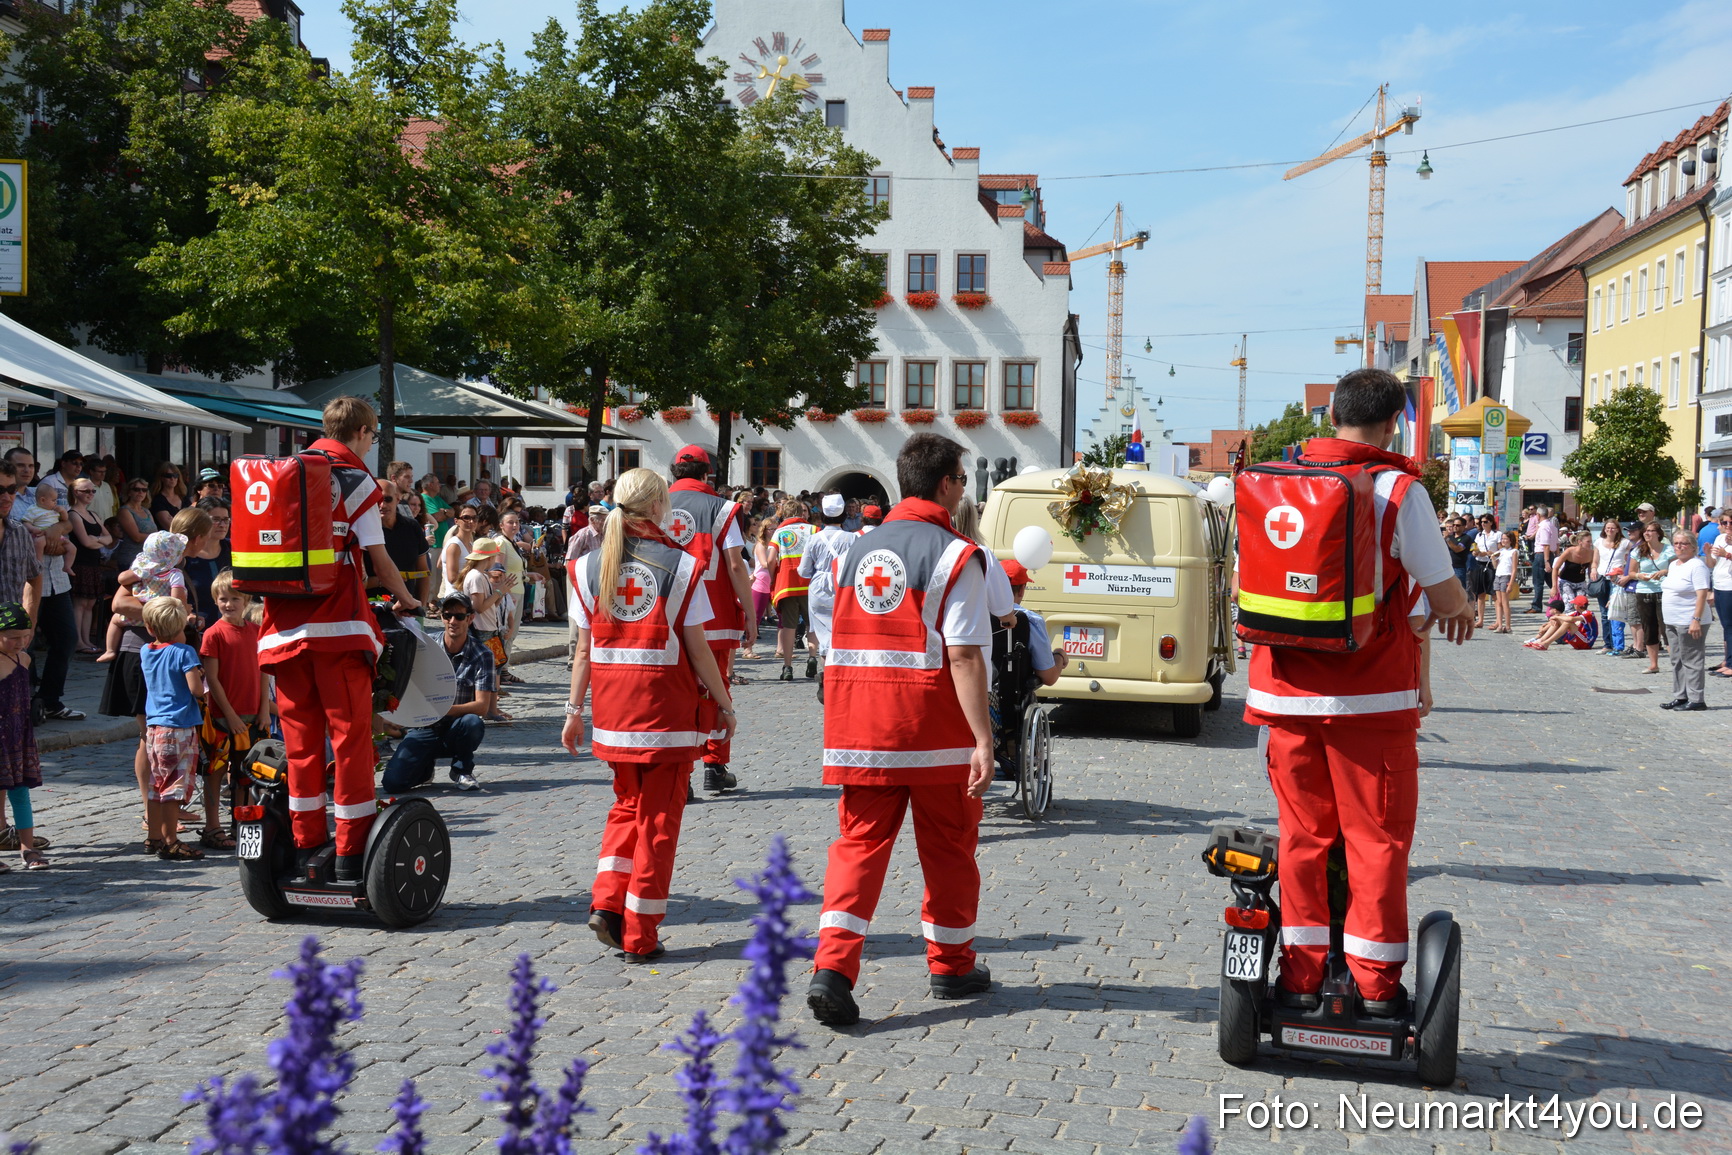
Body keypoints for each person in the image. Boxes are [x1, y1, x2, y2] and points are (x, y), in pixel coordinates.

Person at [1243, 368, 1471, 1019]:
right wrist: (1458, 607)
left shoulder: (1277, 480)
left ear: (1333, 414)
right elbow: (1444, 590)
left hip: (1284, 694)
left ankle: (1300, 976)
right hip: (1370, 702)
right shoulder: (1399, 490)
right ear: (1394, 421)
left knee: (1302, 837)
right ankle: (1374, 987)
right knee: (1375, 841)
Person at [807, 433, 996, 1027]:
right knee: (949, 849)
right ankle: (950, 964)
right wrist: (985, 740)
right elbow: (965, 657)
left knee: (858, 848)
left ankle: (832, 971)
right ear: (945, 485)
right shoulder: (955, 555)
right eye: (963, 480)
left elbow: (833, 637)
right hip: (933, 729)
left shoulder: (851, 551)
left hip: (859, 725)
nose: (963, 490)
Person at [559, 468, 735, 962]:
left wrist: (575, 711)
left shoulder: (587, 566)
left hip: (614, 711)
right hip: (667, 711)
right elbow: (700, 651)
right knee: (659, 822)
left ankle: (608, 902)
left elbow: (583, 651)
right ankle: (640, 932)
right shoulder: (682, 566)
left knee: (626, 809)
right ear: (660, 506)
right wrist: (724, 704)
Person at [260, 396, 421, 883]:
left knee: (300, 745)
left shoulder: (282, 474)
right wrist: (408, 600)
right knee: (350, 742)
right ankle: (351, 852)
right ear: (364, 432)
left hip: (282, 631)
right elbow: (379, 559)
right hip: (338, 631)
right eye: (373, 436)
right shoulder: (355, 482)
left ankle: (306, 842)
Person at [666, 445, 752, 793]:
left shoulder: (655, 503)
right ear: (707, 474)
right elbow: (735, 563)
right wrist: (750, 612)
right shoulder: (722, 508)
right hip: (712, 614)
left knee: (677, 691)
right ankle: (714, 766)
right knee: (715, 688)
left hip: (667, 610)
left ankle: (681, 772)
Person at [381, 591, 496, 793]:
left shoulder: (483, 654)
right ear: (441, 617)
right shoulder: (425, 646)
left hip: (457, 728)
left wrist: (440, 710)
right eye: (447, 615)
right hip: (424, 727)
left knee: (472, 722)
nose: (453, 621)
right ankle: (424, 769)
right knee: (393, 784)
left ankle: (462, 769)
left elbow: (482, 706)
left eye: (459, 616)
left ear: (470, 619)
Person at [139, 597, 208, 862]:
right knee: (174, 788)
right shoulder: (184, 652)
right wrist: (201, 682)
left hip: (154, 728)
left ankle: (153, 836)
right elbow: (194, 689)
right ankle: (171, 841)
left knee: (156, 785)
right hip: (178, 727)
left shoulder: (146, 651)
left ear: (149, 627)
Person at [0, 604, 45, 871]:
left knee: (21, 793)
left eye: (25, 636)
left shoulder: (24, 659)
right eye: (13, 636)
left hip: (19, 736)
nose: (21, 642)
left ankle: (28, 848)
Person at [798, 493, 853, 703]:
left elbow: (803, 571)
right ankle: (842, 672)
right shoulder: (852, 538)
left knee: (822, 631)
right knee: (842, 630)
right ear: (844, 515)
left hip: (819, 586)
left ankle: (827, 675)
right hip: (842, 585)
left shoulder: (814, 538)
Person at [1659, 529, 1711, 710]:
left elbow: (1702, 594)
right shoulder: (1674, 564)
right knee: (1677, 659)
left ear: (1693, 547)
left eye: (1684, 543)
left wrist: (1695, 619)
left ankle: (1697, 699)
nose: (1679, 547)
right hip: (1672, 619)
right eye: (1676, 543)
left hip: (1689, 620)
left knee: (1692, 659)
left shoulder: (1697, 566)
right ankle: (1681, 696)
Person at [770, 500, 818, 682]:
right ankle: (812, 658)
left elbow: (769, 560)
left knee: (789, 627)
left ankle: (787, 667)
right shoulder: (814, 530)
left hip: (787, 585)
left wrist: (772, 579)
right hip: (809, 584)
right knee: (811, 625)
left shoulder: (780, 532)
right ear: (801, 513)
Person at [1000, 560, 1066, 687]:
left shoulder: (978, 615)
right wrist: (1059, 655)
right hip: (1013, 698)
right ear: (1021, 590)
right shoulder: (1031, 620)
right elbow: (1049, 677)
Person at [68, 475, 113, 653]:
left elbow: (109, 538)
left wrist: (96, 539)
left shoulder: (93, 514)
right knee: (79, 604)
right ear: (75, 492)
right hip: (80, 563)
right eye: (86, 491)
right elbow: (85, 542)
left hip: (93, 564)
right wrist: (98, 540)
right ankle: (77, 641)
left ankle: (86, 640)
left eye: (92, 491)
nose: (90, 494)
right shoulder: (73, 514)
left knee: (90, 604)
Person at [1624, 522, 1673, 674]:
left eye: (1651, 531)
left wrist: (1664, 571)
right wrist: (1639, 576)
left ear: (1658, 534)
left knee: (1667, 627)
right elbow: (1631, 572)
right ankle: (1653, 664)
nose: (1647, 534)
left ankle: (1676, 662)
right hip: (1644, 591)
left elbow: (1676, 568)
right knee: (1649, 626)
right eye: (1646, 531)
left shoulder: (1668, 550)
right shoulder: (1638, 550)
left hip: (1664, 590)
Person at [1595, 519, 1633, 655]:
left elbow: (1634, 556)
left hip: (1616, 579)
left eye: (1613, 528)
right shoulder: (1599, 541)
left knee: (1615, 612)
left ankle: (1618, 644)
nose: (1610, 530)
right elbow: (1595, 560)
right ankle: (1608, 644)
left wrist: (1625, 568)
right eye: (1607, 528)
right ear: (1604, 529)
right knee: (1604, 612)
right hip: (1601, 578)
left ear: (1618, 529)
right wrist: (1593, 569)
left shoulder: (1625, 543)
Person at [1707, 512, 1732, 677]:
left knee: (1730, 626)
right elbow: (1712, 564)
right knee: (1726, 626)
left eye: (1731, 523)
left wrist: (1727, 554)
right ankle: (1727, 660)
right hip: (1720, 584)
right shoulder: (1720, 538)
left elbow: (1725, 557)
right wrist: (1708, 554)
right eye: (1724, 523)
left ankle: (1731, 663)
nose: (1728, 526)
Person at [1523, 596, 1597, 650]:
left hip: (1586, 641)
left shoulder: (1589, 613)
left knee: (1567, 623)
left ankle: (1546, 644)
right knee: (1558, 620)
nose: (1573, 605)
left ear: (1578, 605)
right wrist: (1553, 619)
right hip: (1579, 639)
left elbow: (1570, 619)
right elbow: (1561, 616)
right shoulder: (1576, 612)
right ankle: (1541, 640)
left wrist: (1556, 617)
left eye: (1575, 604)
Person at [1550, 530, 1595, 606]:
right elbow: (1555, 568)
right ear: (1580, 541)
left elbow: (1591, 569)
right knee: (1569, 606)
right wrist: (1554, 587)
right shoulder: (1569, 552)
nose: (1590, 544)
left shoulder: (1591, 553)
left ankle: (1578, 617)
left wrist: (1592, 583)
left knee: (1582, 606)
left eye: (1591, 541)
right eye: (1588, 541)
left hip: (1581, 582)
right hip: (1566, 582)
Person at [1527, 505, 1558, 612]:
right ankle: (1559, 600)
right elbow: (1556, 543)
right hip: (1550, 555)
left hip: (1542, 555)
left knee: (1538, 582)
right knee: (1551, 581)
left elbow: (1546, 545)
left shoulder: (1544, 527)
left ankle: (1536, 606)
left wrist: (1546, 561)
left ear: (1538, 515)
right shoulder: (1552, 526)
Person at [1490, 530, 1519, 634]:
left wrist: (1511, 583)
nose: (1503, 541)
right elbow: (1495, 566)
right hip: (1498, 575)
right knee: (1498, 602)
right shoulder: (1501, 551)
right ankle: (1500, 624)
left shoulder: (1513, 551)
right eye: (1502, 539)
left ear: (1510, 540)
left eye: (1505, 539)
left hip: (1506, 576)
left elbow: (1514, 568)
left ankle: (1508, 626)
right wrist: (1493, 558)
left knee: (1505, 602)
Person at [149, 463, 189, 531]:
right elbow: (169, 526)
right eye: (168, 476)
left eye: (175, 475)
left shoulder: (183, 498)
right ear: (161, 478)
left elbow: (195, 519)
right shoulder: (158, 500)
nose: (172, 478)